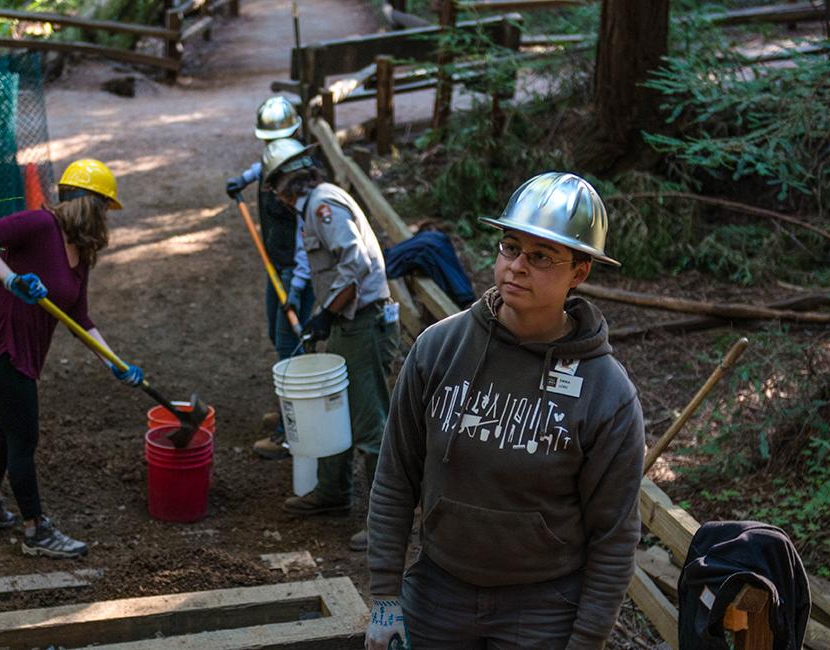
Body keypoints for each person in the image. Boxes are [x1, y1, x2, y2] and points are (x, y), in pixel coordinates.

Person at [363, 172, 645, 649]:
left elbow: (614, 537)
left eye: (540, 257)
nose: (516, 266)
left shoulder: (606, 394)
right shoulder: (439, 349)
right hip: (437, 592)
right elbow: (394, 479)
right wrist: (386, 597)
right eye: (509, 247)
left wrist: (586, 640)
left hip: (542, 608)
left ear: (580, 272)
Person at [0, 158, 144, 559]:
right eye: (103, 209)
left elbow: (79, 318)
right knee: (24, 435)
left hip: (25, 347)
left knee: (10, 424)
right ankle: (36, 530)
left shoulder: (82, 252)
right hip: (0, 337)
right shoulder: (42, 226)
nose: (105, 220)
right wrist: (10, 278)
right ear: (87, 204)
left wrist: (115, 362)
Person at [261, 138, 399, 551]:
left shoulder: (323, 207)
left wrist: (325, 313)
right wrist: (327, 315)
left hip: (366, 322)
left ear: (285, 186)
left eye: (275, 189)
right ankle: (333, 492)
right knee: (332, 405)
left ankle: (387, 522)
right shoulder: (315, 207)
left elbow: (356, 262)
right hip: (348, 320)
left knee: (370, 422)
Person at [224, 95, 316, 461]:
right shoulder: (277, 165)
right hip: (275, 266)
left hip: (295, 273)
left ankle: (290, 432)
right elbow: (262, 167)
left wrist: (295, 288)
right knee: (275, 336)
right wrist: (242, 180)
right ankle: (286, 410)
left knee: (289, 347)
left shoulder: (300, 183)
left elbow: (306, 245)